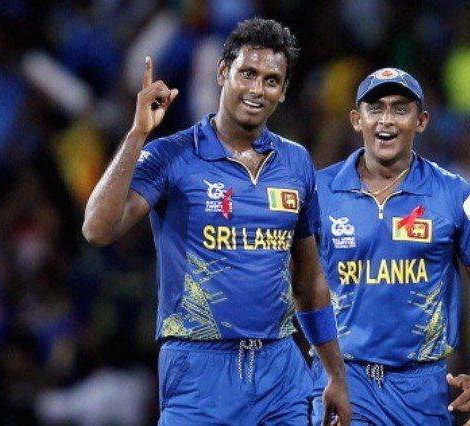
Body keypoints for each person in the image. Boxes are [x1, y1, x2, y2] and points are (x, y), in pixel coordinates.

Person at [82, 17, 351, 425]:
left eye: (272, 80)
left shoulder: (296, 162)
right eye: (248, 73)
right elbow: (97, 229)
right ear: (223, 72)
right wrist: (137, 134)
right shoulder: (173, 155)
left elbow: (310, 282)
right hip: (198, 369)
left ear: (283, 91)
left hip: (281, 373)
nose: (257, 89)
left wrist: (334, 374)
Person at [311, 67, 470, 426]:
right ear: (356, 119)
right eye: (376, 108)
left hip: (423, 389)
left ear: (421, 121)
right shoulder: (319, 192)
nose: (386, 119)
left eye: (400, 109)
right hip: (345, 378)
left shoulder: (453, 193)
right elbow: (300, 285)